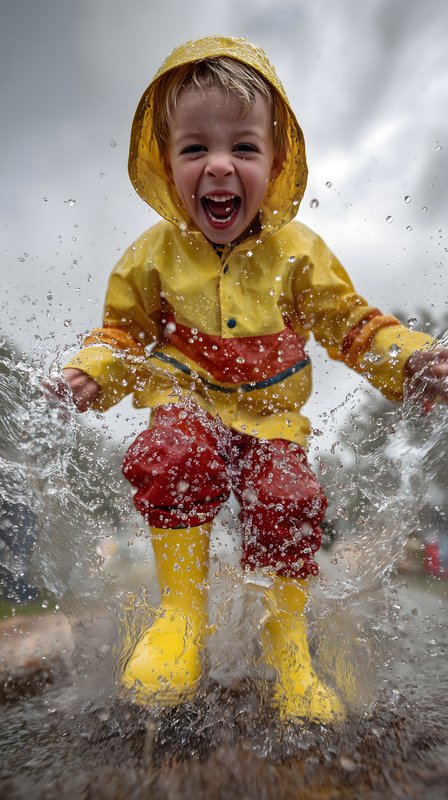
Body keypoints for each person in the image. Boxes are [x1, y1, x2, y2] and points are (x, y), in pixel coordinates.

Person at [50, 36, 448, 723]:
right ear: (165, 163)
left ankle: (289, 646)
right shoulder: (152, 257)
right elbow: (121, 335)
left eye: (244, 147)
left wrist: (408, 356)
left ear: (277, 161)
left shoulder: (299, 255)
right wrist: (90, 373)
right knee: (170, 454)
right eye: (195, 148)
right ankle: (181, 617)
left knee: (288, 497)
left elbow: (352, 325)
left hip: (271, 421)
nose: (219, 166)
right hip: (187, 405)